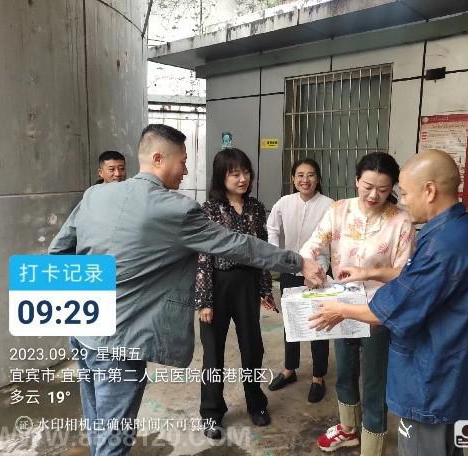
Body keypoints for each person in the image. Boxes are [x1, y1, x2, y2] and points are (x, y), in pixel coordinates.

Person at [48, 124, 326, 456]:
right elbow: (237, 245)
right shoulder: (175, 209)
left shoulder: (95, 195)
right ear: (158, 158)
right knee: (113, 441)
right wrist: (298, 262)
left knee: (98, 425)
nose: (186, 171)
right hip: (121, 342)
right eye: (182, 162)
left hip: (83, 331)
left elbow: (58, 253)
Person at [308, 149, 468, 456]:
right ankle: (349, 428)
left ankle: (371, 443)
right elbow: (416, 278)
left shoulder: (440, 244)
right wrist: (368, 272)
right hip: (455, 367)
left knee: (418, 441)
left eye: (403, 192)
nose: (402, 200)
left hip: (432, 376)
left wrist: (338, 310)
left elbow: (395, 305)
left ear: (429, 190)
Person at [300, 152, 415, 456]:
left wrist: (369, 273)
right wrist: (309, 265)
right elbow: (312, 245)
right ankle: (348, 428)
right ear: (356, 181)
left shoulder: (401, 220)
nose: (374, 195)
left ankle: (373, 444)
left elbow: (406, 273)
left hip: (379, 310)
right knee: (345, 371)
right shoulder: (339, 210)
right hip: (341, 307)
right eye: (367, 187)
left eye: (383, 189)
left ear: (392, 188)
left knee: (375, 380)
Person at [195, 148, 277, 439]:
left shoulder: (255, 207)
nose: (243, 179)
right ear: (222, 176)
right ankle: (211, 412)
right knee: (213, 353)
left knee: (252, 348)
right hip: (217, 284)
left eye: (246, 172)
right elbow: (203, 254)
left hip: (248, 283)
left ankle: (256, 403)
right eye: (235, 174)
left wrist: (265, 289)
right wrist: (204, 300)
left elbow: (262, 251)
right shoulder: (209, 209)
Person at [266, 158, 333, 403]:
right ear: (293, 178)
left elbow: (335, 237)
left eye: (311, 175)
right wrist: (276, 255)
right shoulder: (284, 202)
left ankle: (318, 376)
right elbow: (272, 227)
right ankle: (289, 369)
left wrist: (327, 267)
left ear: (318, 178)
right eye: (300, 175)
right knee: (291, 322)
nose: (305, 180)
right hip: (289, 270)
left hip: (317, 271)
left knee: (319, 323)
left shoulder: (329, 205)